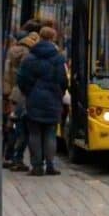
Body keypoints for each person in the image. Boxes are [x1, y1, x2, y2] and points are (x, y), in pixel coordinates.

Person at [17, 26, 67, 177]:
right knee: (50, 133)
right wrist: (59, 93)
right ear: (53, 39)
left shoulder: (30, 58)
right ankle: (50, 165)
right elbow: (63, 80)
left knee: (35, 134)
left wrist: (29, 92)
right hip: (53, 99)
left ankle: (37, 166)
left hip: (34, 99)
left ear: (39, 37)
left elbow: (22, 79)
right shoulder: (58, 58)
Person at [5, 29, 39, 171]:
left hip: (14, 93)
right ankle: (17, 159)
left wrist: (8, 91)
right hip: (24, 95)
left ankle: (9, 156)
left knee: (13, 126)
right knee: (23, 130)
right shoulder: (29, 56)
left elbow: (7, 74)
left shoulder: (11, 51)